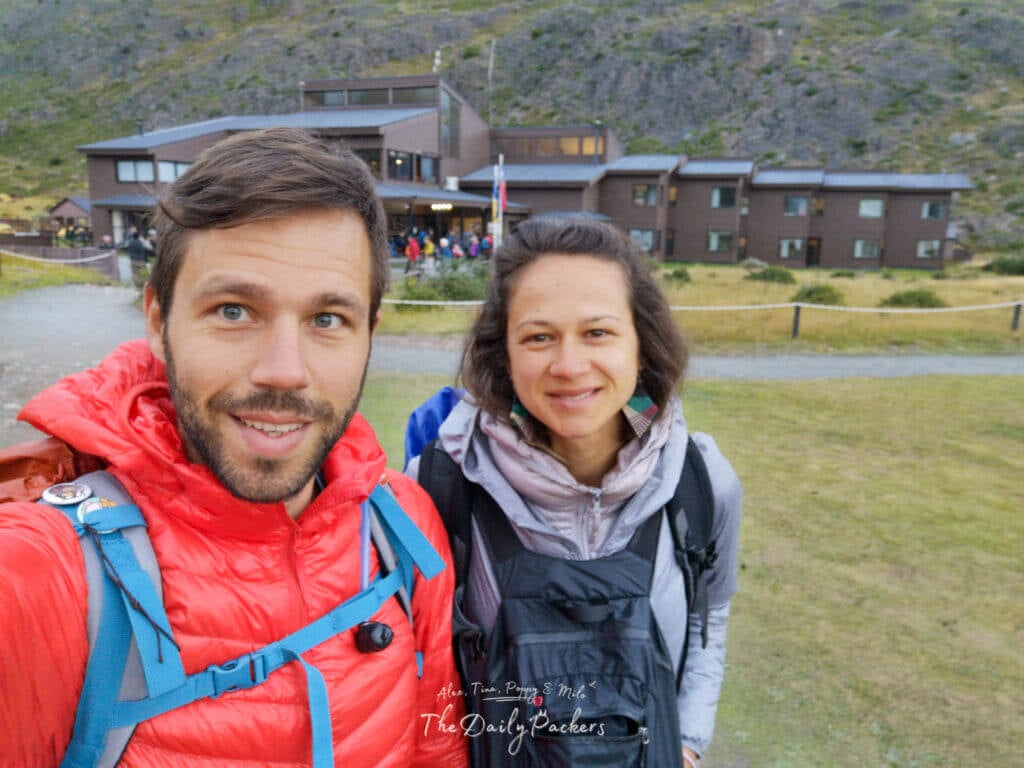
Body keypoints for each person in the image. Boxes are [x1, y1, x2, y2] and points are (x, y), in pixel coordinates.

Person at [0, 128, 468, 768]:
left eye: (327, 320)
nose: (284, 371)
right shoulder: (38, 576)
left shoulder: (404, 526)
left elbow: (437, 748)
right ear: (160, 322)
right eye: (233, 311)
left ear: (369, 334)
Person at [407, 218, 741, 767]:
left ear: (641, 346)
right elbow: (421, 665)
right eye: (539, 337)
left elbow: (709, 620)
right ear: (504, 355)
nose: (568, 366)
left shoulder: (701, 484)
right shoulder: (442, 486)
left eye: (598, 333)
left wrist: (687, 745)